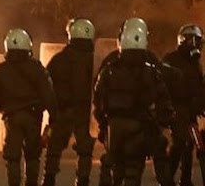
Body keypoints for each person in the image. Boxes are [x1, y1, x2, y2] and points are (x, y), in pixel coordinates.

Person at [94, 18, 174, 186]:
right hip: (140, 125)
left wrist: (103, 124)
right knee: (137, 167)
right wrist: (164, 120)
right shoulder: (151, 68)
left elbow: (98, 97)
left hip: (113, 126)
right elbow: (163, 98)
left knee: (116, 166)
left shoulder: (109, 67)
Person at [0, 28, 58, 186]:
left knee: (12, 158)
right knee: (32, 156)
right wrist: (53, 117)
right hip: (33, 117)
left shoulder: (0, 70)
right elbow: (48, 94)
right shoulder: (37, 68)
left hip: (11, 117)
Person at [42, 18, 96, 186]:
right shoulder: (96, 60)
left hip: (62, 110)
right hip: (86, 112)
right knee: (85, 149)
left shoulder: (59, 59)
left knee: (54, 148)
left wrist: (51, 111)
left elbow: (46, 85)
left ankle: (49, 178)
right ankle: (83, 179)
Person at [163, 24, 205, 186]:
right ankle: (167, 179)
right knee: (180, 143)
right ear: (184, 40)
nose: (197, 45)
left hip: (191, 112)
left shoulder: (195, 64)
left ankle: (185, 179)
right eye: (194, 41)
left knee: (191, 144)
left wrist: (200, 104)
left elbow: (199, 87)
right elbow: (163, 86)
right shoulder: (170, 60)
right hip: (178, 111)